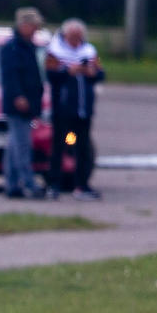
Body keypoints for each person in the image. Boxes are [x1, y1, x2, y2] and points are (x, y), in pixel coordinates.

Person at [45, 18, 105, 200]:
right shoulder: (54, 51)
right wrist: (67, 71)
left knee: (83, 148)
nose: (76, 40)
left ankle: (82, 185)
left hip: (83, 110)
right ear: (65, 35)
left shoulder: (89, 50)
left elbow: (100, 73)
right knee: (59, 147)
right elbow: (50, 75)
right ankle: (53, 185)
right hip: (62, 110)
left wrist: (92, 72)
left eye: (79, 37)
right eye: (72, 37)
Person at [0, 7, 45, 199]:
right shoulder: (12, 48)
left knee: (13, 145)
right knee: (22, 145)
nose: (36, 30)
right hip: (18, 104)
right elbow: (10, 76)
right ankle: (28, 182)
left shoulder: (28, 46)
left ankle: (12, 184)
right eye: (34, 26)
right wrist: (18, 96)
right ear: (24, 25)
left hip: (29, 102)